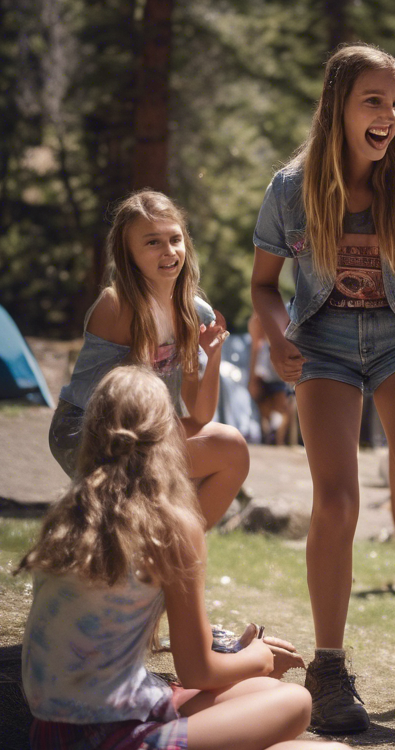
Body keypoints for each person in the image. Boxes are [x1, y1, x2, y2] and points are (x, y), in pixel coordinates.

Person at [20, 367, 360, 750]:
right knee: (312, 727)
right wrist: (257, 658)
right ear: (169, 439)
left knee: (268, 698)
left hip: (51, 743)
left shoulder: (70, 513)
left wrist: (238, 663)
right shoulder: (169, 526)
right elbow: (199, 671)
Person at [251, 42, 395, 734]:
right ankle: (331, 667)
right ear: (338, 108)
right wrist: (275, 335)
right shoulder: (291, 190)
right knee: (338, 501)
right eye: (373, 102)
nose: (389, 116)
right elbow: (263, 288)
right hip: (323, 343)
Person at [48, 190, 249, 529]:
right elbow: (116, 409)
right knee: (152, 489)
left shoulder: (192, 311)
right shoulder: (116, 306)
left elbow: (199, 414)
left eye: (175, 239)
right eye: (153, 243)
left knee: (231, 449)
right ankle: (151, 556)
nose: (169, 251)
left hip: (149, 433)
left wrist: (211, 357)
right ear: (129, 255)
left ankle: (175, 557)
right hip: (87, 429)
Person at [247, 314, 295, 445]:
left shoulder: (267, 340)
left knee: (279, 410)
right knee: (271, 410)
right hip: (272, 378)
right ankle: (273, 436)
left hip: (276, 378)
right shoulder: (263, 343)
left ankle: (274, 437)